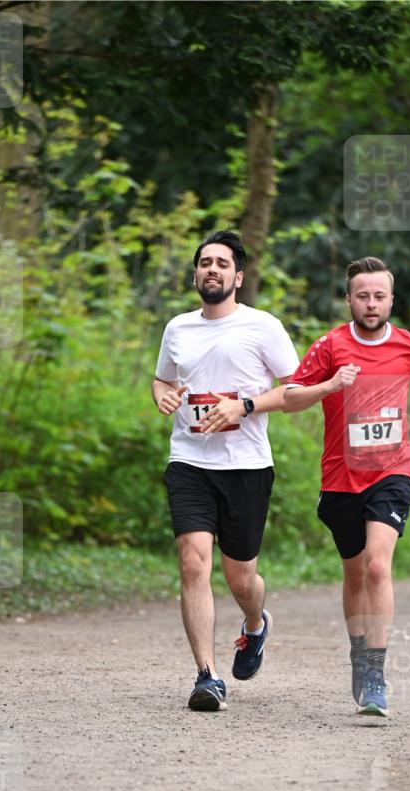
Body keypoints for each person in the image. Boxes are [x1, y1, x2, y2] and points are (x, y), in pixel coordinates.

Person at [283, 256, 410, 717]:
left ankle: (376, 673)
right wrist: (332, 383)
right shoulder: (330, 345)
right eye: (362, 296)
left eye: (379, 296)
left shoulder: (409, 344)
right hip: (340, 478)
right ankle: (359, 651)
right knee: (354, 572)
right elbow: (292, 399)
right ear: (349, 299)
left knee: (378, 567)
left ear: (391, 299)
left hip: (393, 471)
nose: (371, 304)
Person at [152, 231, 300, 712]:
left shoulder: (262, 326)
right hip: (190, 460)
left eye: (221, 263)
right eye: (204, 262)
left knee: (241, 579)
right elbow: (163, 379)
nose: (211, 269)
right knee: (193, 561)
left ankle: (255, 625)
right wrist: (163, 396)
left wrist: (245, 405)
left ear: (237, 277)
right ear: (195, 274)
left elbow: (296, 390)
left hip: (246, 466)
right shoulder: (178, 328)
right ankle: (207, 676)